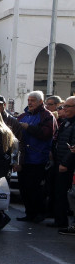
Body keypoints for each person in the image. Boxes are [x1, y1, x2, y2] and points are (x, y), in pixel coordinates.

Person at [16, 91, 57, 223]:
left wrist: (28, 127)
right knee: (24, 188)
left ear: (40, 102)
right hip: (23, 159)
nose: (30, 102)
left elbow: (46, 134)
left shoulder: (47, 116)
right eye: (28, 100)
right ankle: (29, 213)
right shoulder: (22, 116)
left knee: (35, 189)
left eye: (33, 100)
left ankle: (39, 213)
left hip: (38, 158)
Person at [47, 96, 75, 229]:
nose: (64, 109)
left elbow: (73, 148)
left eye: (67, 107)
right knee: (59, 193)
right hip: (59, 162)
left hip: (68, 166)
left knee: (65, 194)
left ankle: (64, 222)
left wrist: (65, 163)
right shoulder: (66, 122)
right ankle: (60, 220)